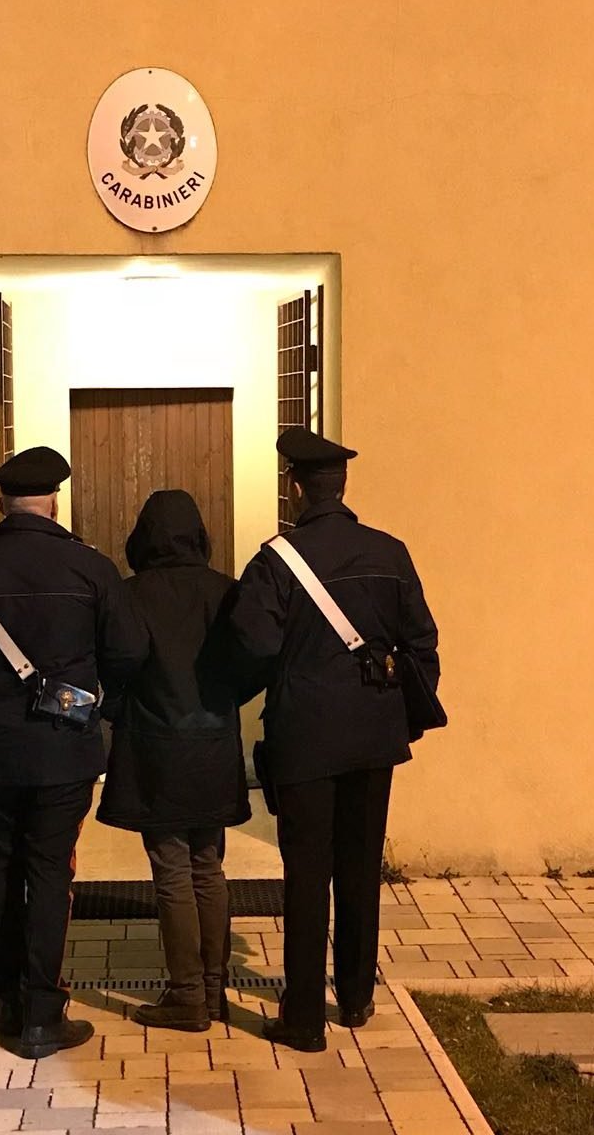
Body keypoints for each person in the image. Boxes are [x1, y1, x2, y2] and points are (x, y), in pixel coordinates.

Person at [0, 446, 147, 1059]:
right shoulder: (90, 567)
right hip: (64, 752)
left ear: (2, 502)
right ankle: (43, 1013)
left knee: (0, 873)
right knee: (48, 872)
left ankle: (9, 1003)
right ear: (54, 501)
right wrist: (104, 706)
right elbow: (128, 653)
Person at [227, 428, 440, 1052]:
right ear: (341, 487)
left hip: (304, 740)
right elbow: (422, 642)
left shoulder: (276, 561)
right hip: (373, 737)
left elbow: (253, 646)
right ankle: (354, 996)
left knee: (305, 873)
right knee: (359, 867)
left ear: (295, 488)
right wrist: (400, 714)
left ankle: (302, 1016)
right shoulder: (390, 553)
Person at [96, 490, 250, 1032]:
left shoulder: (130, 594)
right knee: (209, 865)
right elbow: (251, 656)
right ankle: (213, 988)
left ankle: (185, 994)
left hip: (155, 746)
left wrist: (116, 708)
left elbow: (118, 663)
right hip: (214, 745)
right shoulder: (226, 591)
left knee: (171, 870)